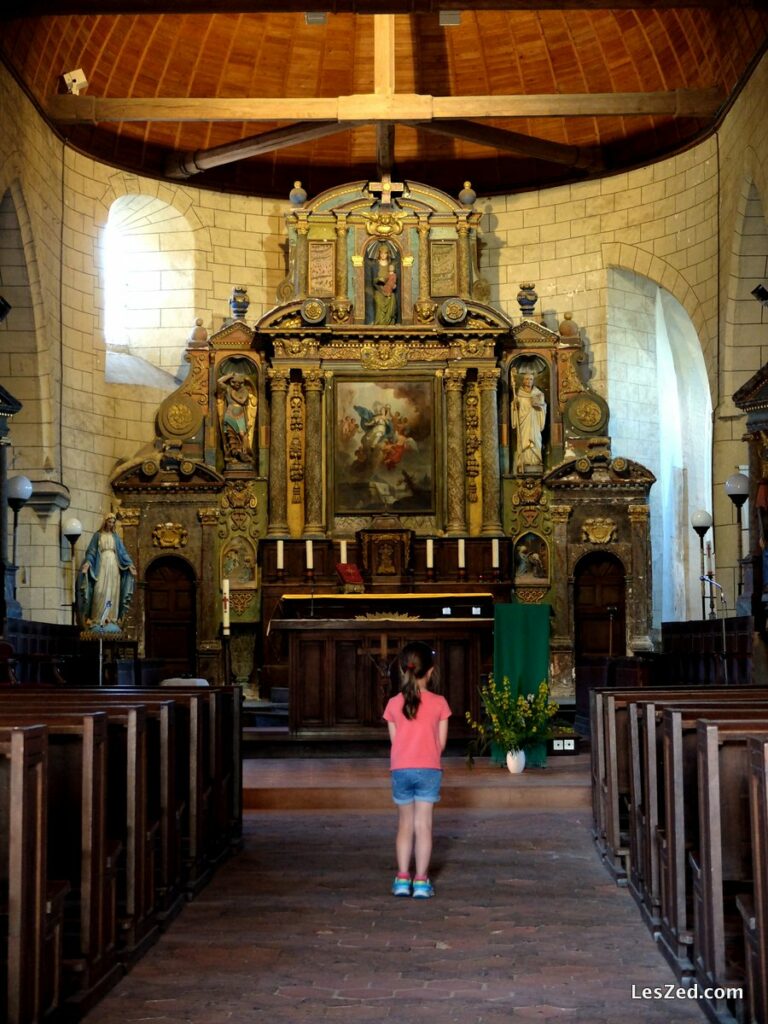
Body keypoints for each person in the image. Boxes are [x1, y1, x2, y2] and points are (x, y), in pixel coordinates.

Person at [383, 641, 451, 898]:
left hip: (401, 768)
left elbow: (395, 742)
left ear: (403, 671)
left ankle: (402, 879)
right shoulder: (440, 703)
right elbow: (441, 744)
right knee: (424, 826)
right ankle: (421, 881)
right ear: (430, 672)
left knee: (404, 825)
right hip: (429, 769)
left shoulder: (392, 704)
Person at [77, 514, 137, 631]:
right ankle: (97, 618)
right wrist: (87, 563)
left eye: (113, 522)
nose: (111, 524)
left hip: (114, 565)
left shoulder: (116, 537)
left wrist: (130, 564)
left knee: (112, 591)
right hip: (101, 565)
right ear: (105, 522)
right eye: (109, 522)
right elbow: (91, 552)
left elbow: (123, 553)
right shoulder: (97, 536)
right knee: (99, 590)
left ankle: (111, 618)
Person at [512, 370, 547, 473]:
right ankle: (523, 462)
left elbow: (543, 407)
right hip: (524, 423)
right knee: (524, 441)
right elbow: (516, 410)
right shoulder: (519, 394)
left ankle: (535, 462)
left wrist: (540, 406)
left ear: (533, 381)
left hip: (535, 423)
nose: (528, 381)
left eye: (531, 379)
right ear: (523, 381)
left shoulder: (538, 394)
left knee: (536, 441)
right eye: (527, 379)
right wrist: (515, 405)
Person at [371, 243, 398, 325]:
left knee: (392, 300)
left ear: (388, 254)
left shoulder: (391, 266)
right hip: (379, 290)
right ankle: (379, 323)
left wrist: (394, 285)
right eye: (382, 253)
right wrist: (379, 279)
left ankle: (390, 322)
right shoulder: (375, 265)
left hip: (389, 290)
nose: (383, 255)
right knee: (379, 302)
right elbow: (373, 281)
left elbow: (393, 278)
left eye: (385, 253)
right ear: (379, 254)